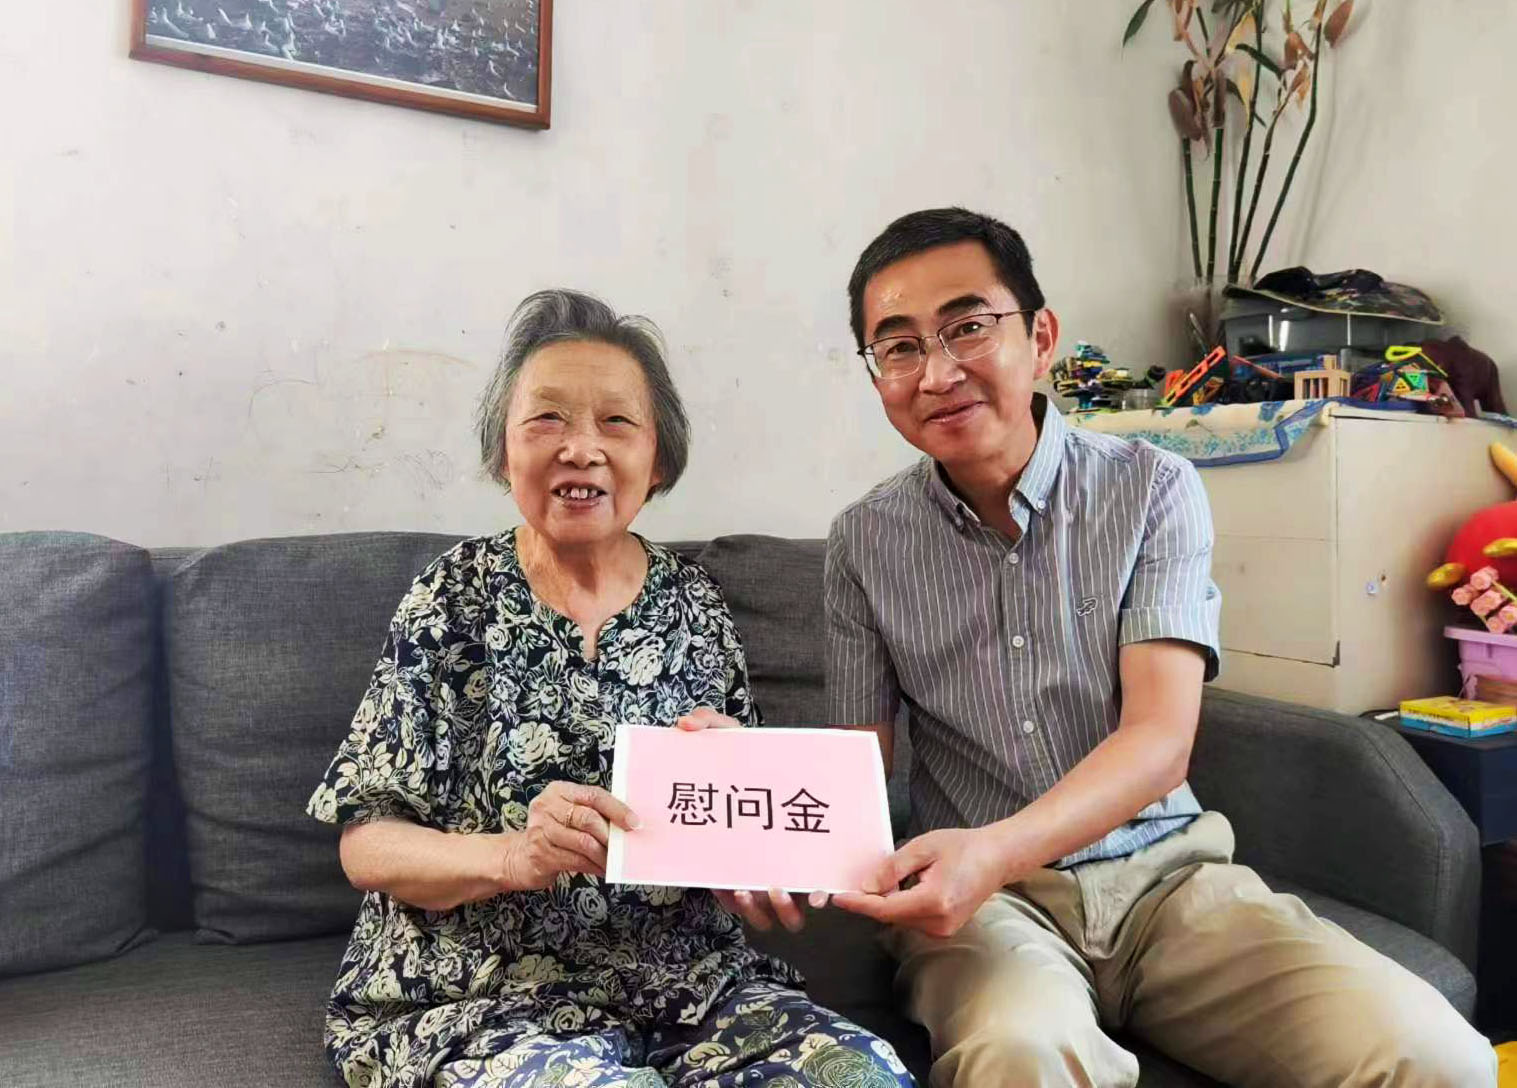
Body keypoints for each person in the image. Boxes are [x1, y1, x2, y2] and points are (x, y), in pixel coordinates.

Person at [726, 207, 1496, 1087]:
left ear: (1039, 337)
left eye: (968, 327)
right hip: (987, 910)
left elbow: (1158, 743)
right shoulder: (864, 540)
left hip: (1169, 882)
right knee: (1021, 1053)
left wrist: (995, 845)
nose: (936, 373)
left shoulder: (1153, 488)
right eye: (898, 347)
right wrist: (739, 785)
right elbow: (855, 767)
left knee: (1436, 1058)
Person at [306, 289, 912, 1088]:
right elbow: (366, 846)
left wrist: (750, 844)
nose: (581, 448)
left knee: (860, 1075)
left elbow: (742, 838)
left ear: (657, 461)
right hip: (485, 996)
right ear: (504, 452)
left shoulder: (695, 605)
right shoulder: (451, 597)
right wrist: (513, 855)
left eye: (616, 422)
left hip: (689, 989)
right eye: (546, 419)